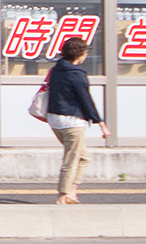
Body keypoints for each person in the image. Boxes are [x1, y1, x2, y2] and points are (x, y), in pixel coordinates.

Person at [46, 37, 110, 205]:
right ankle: (62, 196)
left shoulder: (55, 70)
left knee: (83, 157)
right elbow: (85, 100)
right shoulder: (76, 74)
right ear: (80, 54)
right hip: (72, 122)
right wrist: (101, 124)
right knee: (71, 159)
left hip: (55, 120)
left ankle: (72, 193)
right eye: (85, 52)